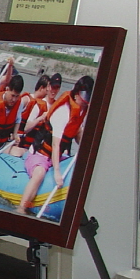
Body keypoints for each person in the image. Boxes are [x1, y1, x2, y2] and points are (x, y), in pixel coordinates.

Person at [18, 75, 92, 214]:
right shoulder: (63, 111)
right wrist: (57, 173)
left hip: (58, 155)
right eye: (83, 98)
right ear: (76, 94)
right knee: (39, 173)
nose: (84, 102)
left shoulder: (81, 109)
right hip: (41, 154)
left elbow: (77, 134)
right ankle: (21, 207)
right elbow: (56, 144)